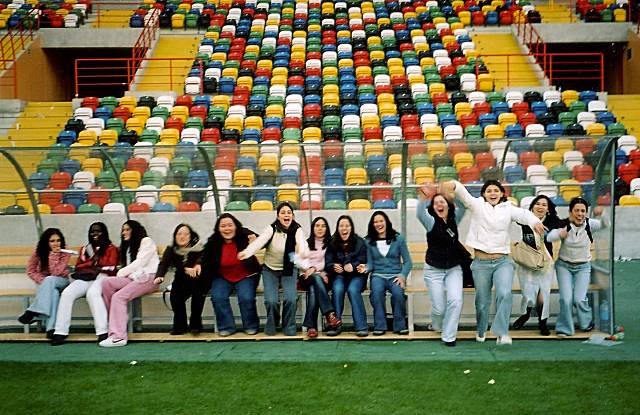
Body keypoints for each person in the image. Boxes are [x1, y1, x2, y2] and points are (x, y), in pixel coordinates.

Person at [445, 180, 544, 345]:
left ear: (502, 193)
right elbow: (464, 195)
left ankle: (502, 332)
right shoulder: (477, 205)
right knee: (482, 302)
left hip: (502, 262)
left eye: (496, 190)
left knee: (504, 294)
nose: (493, 193)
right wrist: (454, 184)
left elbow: (524, 214)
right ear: (484, 194)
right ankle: (481, 329)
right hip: (480, 264)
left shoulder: (508, 208)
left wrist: (535, 222)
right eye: (489, 191)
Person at [238, 202, 308, 336]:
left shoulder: (297, 230)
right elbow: (259, 242)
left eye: (289, 213)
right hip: (270, 269)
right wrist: (247, 252)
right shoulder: (271, 229)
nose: (286, 215)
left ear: (293, 216)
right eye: (283, 213)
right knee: (271, 301)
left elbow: (302, 244)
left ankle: (289, 326)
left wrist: (303, 253)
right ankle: (273, 324)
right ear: (278, 216)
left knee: (291, 299)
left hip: (289, 269)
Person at [416, 184, 469, 346]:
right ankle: (436, 325)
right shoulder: (430, 222)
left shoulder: (454, 219)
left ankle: (449, 336)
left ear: (448, 205)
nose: (440, 205)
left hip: (454, 268)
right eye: (436, 203)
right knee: (439, 309)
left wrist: (452, 195)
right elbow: (419, 213)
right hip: (433, 270)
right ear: (433, 207)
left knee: (455, 301)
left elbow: (463, 206)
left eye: (442, 202)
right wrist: (424, 197)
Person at [547, 197, 608, 337]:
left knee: (579, 299)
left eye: (582, 211)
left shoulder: (590, 224)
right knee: (566, 299)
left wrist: (602, 214)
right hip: (564, 267)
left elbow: (605, 224)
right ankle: (564, 329)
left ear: (586, 212)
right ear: (570, 212)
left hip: (583, 268)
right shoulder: (564, 224)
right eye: (576, 211)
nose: (580, 214)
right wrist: (559, 234)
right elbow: (549, 237)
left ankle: (586, 324)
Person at [51, 223, 119, 346]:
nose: (95, 234)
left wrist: (96, 266)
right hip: (86, 277)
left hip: (103, 276)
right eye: (92, 232)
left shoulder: (111, 248)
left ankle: (102, 331)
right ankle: (60, 331)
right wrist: (93, 263)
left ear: (104, 233)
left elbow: (112, 267)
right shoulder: (85, 249)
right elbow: (78, 267)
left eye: (98, 231)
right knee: (67, 293)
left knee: (92, 294)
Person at [99, 220, 160, 347]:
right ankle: (116, 320)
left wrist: (120, 273)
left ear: (135, 230)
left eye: (127, 230)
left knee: (118, 297)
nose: (124, 232)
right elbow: (131, 270)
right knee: (106, 283)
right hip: (135, 278)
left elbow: (139, 264)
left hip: (149, 278)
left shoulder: (146, 241)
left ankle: (119, 337)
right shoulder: (128, 246)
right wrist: (122, 273)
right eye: (123, 230)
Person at [199, 213, 261, 336]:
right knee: (218, 297)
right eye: (223, 226)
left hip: (245, 276)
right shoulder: (213, 241)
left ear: (236, 226)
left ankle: (251, 326)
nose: (227, 229)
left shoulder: (243, 236)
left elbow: (259, 239)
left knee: (246, 298)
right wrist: (197, 264)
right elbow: (203, 256)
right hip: (222, 276)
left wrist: (252, 236)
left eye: (230, 225)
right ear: (218, 229)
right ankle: (226, 327)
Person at [512, 195, 562, 336]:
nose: (540, 207)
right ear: (532, 206)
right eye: (537, 204)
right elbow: (514, 215)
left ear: (548, 209)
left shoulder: (553, 222)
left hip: (546, 263)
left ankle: (542, 322)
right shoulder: (525, 219)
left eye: (544, 205)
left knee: (543, 293)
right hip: (527, 262)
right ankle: (525, 314)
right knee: (528, 294)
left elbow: (568, 224)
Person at [363, 211, 412, 336]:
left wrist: (402, 276)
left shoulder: (398, 239)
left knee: (398, 293)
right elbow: (370, 264)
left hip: (395, 275)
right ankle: (380, 326)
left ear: (386, 222)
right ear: (372, 225)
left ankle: (400, 325)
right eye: (375, 222)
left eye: (381, 221)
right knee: (376, 293)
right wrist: (365, 268)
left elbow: (408, 262)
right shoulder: (368, 241)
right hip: (378, 275)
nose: (378, 224)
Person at [18, 228, 73, 338]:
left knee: (50, 280)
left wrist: (54, 255)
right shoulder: (38, 252)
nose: (56, 243)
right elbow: (31, 271)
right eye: (52, 241)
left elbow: (56, 272)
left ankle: (33, 310)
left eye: (58, 240)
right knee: (54, 293)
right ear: (46, 242)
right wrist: (43, 281)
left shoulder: (65, 252)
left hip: (62, 281)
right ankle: (51, 329)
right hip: (45, 283)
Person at [155, 224, 206, 336]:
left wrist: (198, 264)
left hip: (198, 280)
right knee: (175, 297)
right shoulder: (171, 249)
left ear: (191, 236)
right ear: (175, 236)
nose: (182, 236)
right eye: (179, 234)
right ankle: (180, 326)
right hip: (181, 279)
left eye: (186, 234)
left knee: (198, 296)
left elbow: (204, 259)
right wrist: (159, 276)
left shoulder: (199, 247)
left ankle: (195, 325)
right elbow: (164, 264)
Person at [325, 215, 369, 337]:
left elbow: (364, 259)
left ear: (351, 227)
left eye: (347, 226)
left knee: (353, 290)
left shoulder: (360, 242)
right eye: (341, 226)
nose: (344, 228)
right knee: (337, 289)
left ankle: (361, 326)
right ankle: (335, 325)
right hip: (340, 276)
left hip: (357, 276)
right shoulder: (332, 242)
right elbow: (327, 262)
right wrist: (333, 266)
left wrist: (353, 266)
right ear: (337, 228)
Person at [299, 217, 342, 338]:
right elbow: (300, 262)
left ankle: (311, 327)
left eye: (323, 226)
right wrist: (311, 269)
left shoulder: (331, 244)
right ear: (313, 228)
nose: (320, 228)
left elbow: (329, 262)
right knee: (316, 279)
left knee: (314, 289)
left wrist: (316, 269)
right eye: (317, 226)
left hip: (324, 278)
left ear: (327, 228)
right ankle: (329, 314)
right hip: (307, 277)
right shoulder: (306, 243)